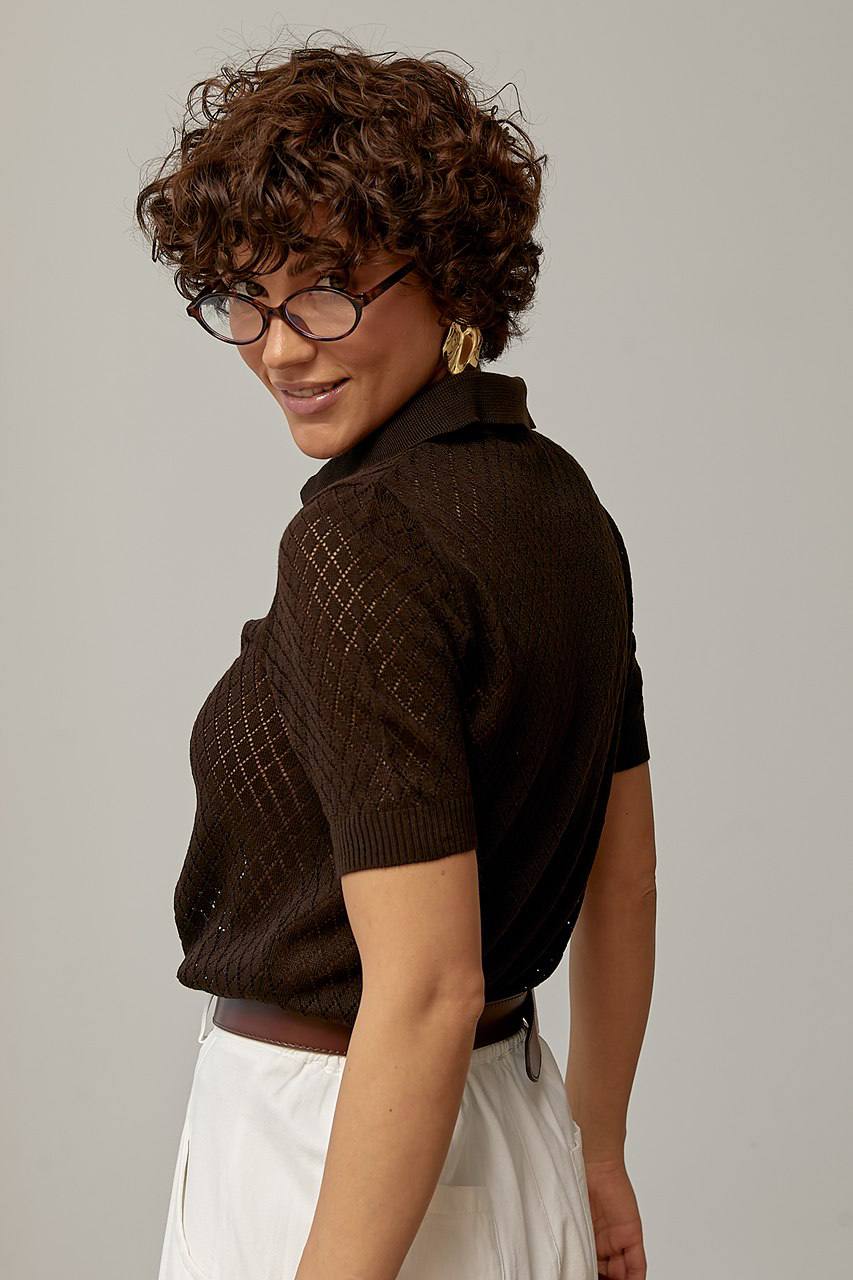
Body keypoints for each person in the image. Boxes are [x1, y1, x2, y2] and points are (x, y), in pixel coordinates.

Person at [136, 35, 655, 1280]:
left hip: (330, 1153)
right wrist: (596, 1147)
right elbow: (626, 876)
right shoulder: (564, 504)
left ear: (452, 275)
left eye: (327, 287)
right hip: (514, 1137)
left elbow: (424, 988)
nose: (279, 348)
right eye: (244, 295)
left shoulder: (358, 545)